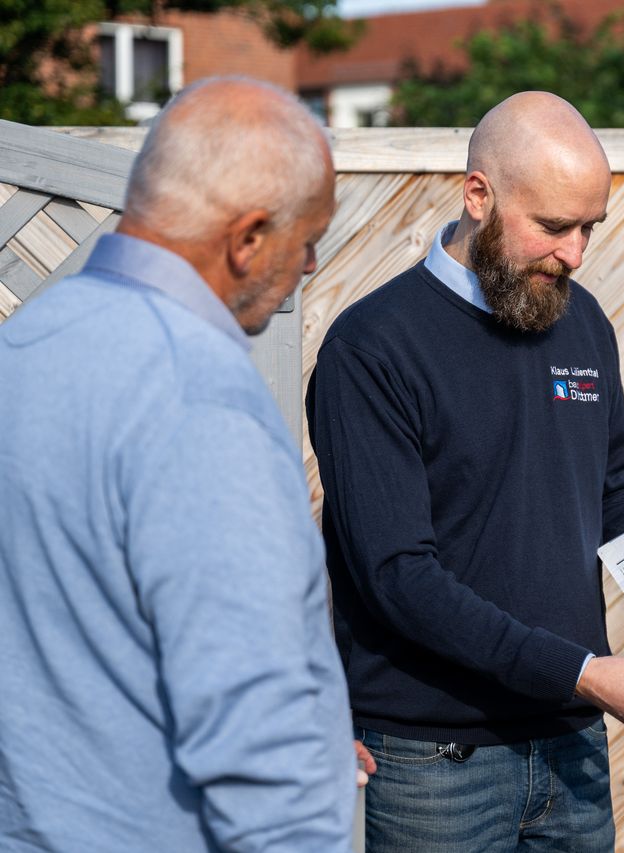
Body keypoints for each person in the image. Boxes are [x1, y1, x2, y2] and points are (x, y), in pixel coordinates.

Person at [306, 91, 624, 852]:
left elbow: (611, 494)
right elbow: (398, 576)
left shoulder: (581, 320)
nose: (575, 254)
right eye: (552, 227)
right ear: (478, 195)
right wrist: (578, 671)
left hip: (571, 744)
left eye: (590, 228)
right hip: (432, 763)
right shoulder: (372, 348)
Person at [0, 77, 357, 852]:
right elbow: (259, 741)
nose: (309, 264)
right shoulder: (199, 401)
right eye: (307, 240)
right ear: (248, 238)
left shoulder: (22, 346)